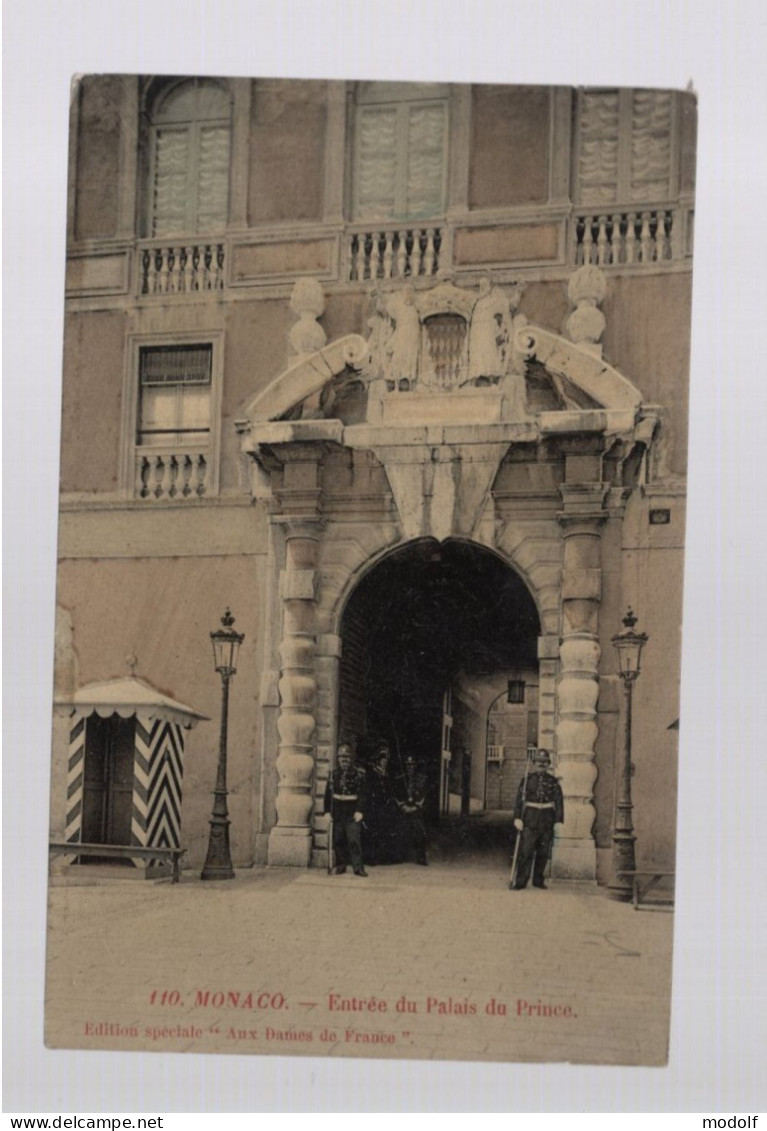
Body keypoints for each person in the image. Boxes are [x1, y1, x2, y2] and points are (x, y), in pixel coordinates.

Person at [511, 749, 564, 890]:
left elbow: (559, 801)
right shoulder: (527, 780)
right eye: (539, 762)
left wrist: (558, 820)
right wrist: (517, 818)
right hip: (530, 819)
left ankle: (538, 880)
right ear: (534, 763)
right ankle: (521, 881)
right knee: (526, 851)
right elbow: (519, 801)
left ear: (548, 764)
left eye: (545, 762)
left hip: (547, 819)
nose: (542, 764)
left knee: (543, 852)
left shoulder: (553, 781)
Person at [324, 742, 368, 877]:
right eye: (342, 758)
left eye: (347, 758)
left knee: (354, 840)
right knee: (338, 840)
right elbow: (328, 795)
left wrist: (360, 810)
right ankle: (341, 866)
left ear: (351, 759)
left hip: (352, 812)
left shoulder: (359, 775)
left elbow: (362, 795)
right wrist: (326, 811)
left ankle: (358, 867)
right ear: (338, 759)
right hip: (337, 812)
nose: (344, 761)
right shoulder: (333, 775)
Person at [363, 742, 398, 865]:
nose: (385, 762)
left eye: (386, 760)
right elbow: (368, 793)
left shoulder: (386, 775)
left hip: (384, 808)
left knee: (385, 832)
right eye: (382, 759)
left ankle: (383, 858)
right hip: (374, 808)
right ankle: (371, 858)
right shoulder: (372, 774)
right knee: (373, 833)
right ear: (378, 760)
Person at [395, 755, 428, 866]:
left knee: (421, 831)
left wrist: (415, 807)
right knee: (399, 830)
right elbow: (397, 796)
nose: (410, 767)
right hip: (404, 809)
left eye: (412, 765)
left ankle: (421, 857)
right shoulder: (400, 779)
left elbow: (424, 797)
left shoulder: (421, 779)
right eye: (408, 765)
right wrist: (403, 807)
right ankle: (399, 856)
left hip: (416, 809)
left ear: (415, 766)